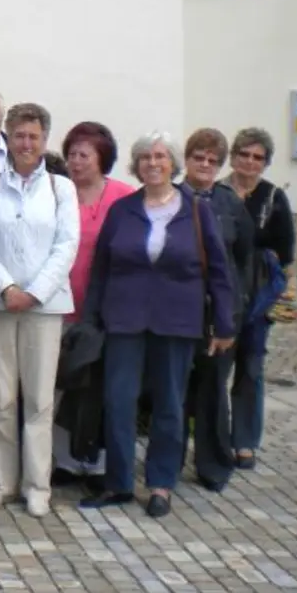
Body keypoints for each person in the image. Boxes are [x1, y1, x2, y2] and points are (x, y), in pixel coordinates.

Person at [78, 131, 235, 519]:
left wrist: (225, 324)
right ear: (136, 165)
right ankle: (118, 482)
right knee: (118, 401)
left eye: (161, 156)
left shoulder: (196, 211)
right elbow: (101, 269)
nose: (153, 162)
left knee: (169, 404)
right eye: (145, 156)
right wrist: (92, 318)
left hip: (176, 321)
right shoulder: (122, 210)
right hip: (124, 319)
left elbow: (218, 270)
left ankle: (161, 483)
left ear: (173, 164)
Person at [0, 103, 79, 517]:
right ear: (8, 138)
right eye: (19, 135)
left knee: (38, 398)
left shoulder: (60, 188)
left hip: (45, 307)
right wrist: (6, 287)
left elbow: (66, 245)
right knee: (1, 396)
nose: (26, 143)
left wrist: (33, 292)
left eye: (33, 136)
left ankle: (37, 485)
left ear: (44, 140)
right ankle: (2, 481)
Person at [52, 121, 135, 488]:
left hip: (107, 312)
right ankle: (64, 462)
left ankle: (98, 464)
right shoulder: (57, 192)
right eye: (71, 154)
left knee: (100, 388)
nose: (75, 161)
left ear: (102, 158)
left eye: (84, 155)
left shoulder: (124, 197)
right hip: (60, 309)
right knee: (60, 388)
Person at [180, 128, 255, 493]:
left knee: (212, 390)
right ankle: (169, 461)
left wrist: (233, 309)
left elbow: (243, 259)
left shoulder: (229, 204)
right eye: (199, 158)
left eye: (213, 160)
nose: (206, 165)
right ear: (187, 160)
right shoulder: (171, 198)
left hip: (219, 315)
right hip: (178, 311)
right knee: (175, 390)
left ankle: (212, 465)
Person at [224, 127, 296, 470]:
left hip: (258, 294)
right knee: (214, 370)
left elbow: (286, 253)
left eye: (258, 158)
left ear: (265, 163)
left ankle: (245, 441)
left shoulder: (273, 197)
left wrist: (283, 294)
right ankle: (213, 438)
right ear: (233, 156)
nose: (250, 163)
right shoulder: (218, 191)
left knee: (251, 368)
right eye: (244, 155)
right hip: (222, 292)